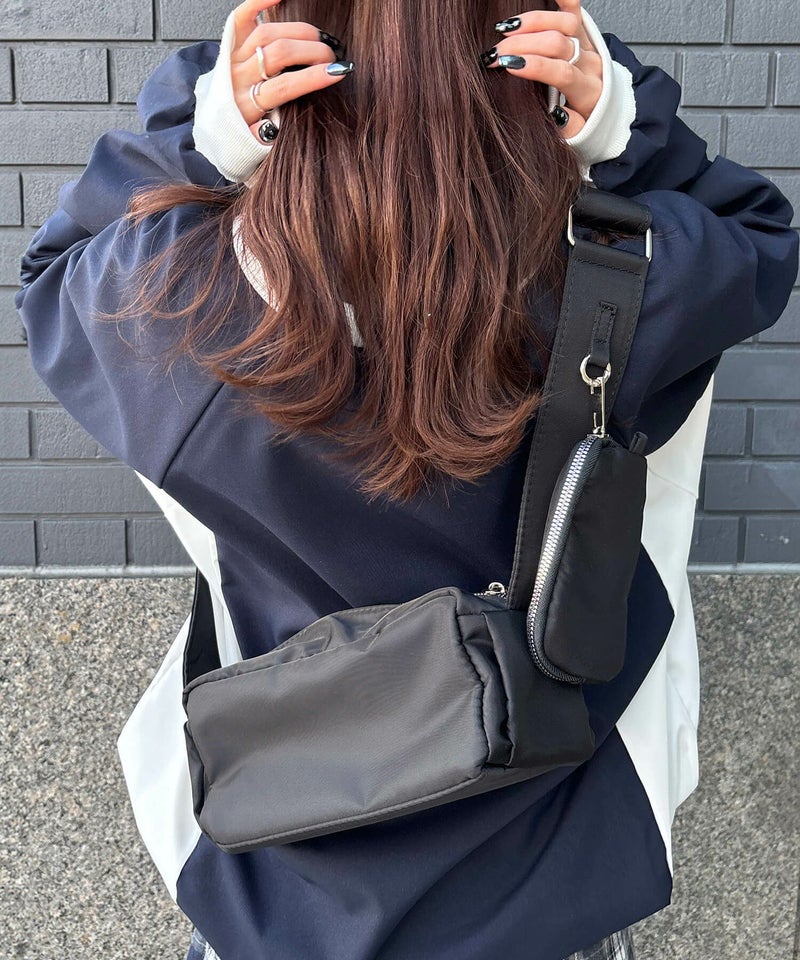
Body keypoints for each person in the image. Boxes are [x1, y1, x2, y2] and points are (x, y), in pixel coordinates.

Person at [14, 0, 798, 957]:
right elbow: (760, 233)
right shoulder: (628, 281)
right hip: (566, 840)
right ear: (521, 45)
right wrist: (619, 129)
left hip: (279, 863)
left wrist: (203, 130)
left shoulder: (179, 311)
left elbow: (53, 273)